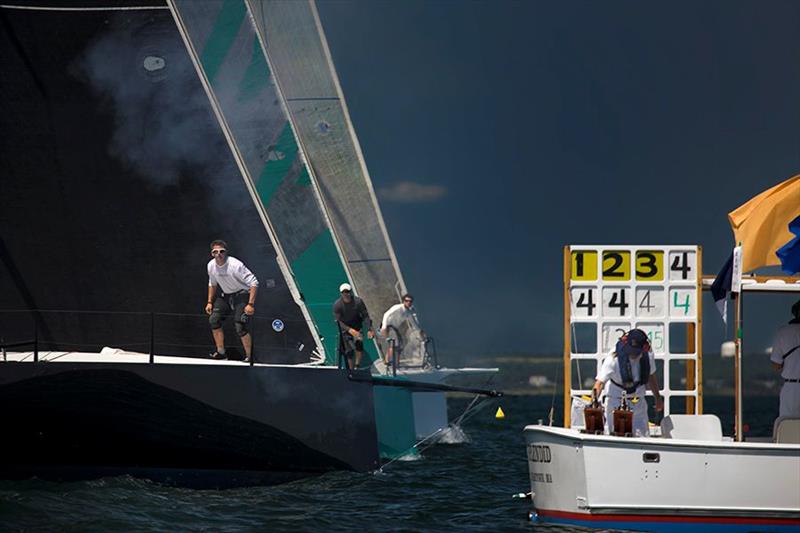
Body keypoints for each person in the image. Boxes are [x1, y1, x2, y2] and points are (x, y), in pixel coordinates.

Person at [592, 328, 663, 436]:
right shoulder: (612, 359)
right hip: (615, 402)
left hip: (638, 402)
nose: (632, 355)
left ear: (644, 348)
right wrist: (593, 401)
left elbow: (651, 376)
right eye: (630, 351)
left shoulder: (648, 356)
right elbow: (600, 383)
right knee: (616, 436)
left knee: (642, 437)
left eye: (636, 352)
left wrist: (657, 398)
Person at [204, 240, 258, 362]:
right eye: (215, 252)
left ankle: (250, 357)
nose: (219, 254)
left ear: (226, 252)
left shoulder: (235, 265)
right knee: (214, 320)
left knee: (240, 325)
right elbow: (212, 283)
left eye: (221, 251)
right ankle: (221, 353)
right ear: (212, 254)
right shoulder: (210, 265)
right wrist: (209, 302)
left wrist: (250, 304)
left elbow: (254, 282)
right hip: (226, 296)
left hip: (242, 295)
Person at [770, 299, 800, 418]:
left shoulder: (782, 332)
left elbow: (776, 365)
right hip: (791, 387)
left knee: (787, 422)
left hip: (791, 388)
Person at [333, 283, 374, 369]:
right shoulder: (337, 305)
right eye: (344, 292)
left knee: (359, 346)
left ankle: (357, 366)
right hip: (345, 329)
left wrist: (369, 329)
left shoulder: (358, 301)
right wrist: (349, 330)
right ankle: (351, 370)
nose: (346, 294)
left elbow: (365, 315)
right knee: (349, 351)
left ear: (351, 292)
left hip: (357, 326)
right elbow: (338, 321)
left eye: (348, 292)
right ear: (341, 294)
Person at [380, 293, 419, 368]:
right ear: (403, 301)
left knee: (400, 344)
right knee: (395, 343)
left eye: (410, 301)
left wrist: (419, 332)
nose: (408, 302)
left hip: (394, 328)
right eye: (406, 300)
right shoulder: (397, 307)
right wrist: (384, 327)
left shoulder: (408, 312)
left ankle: (396, 364)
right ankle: (387, 362)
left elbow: (413, 323)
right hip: (388, 326)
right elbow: (386, 314)